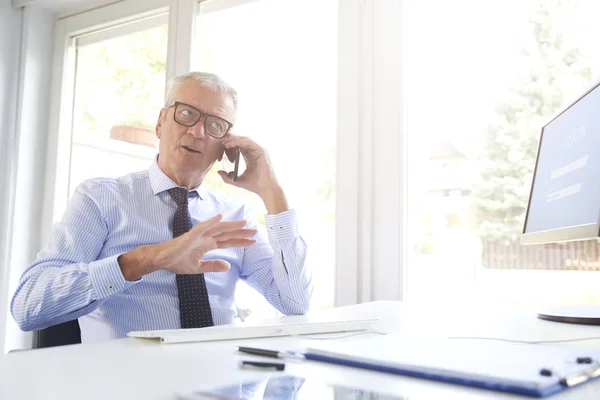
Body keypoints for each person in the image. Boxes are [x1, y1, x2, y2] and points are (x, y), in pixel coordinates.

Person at [10, 71, 313, 343]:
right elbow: (28, 305)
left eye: (216, 125)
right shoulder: (100, 198)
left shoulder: (235, 216)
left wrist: (272, 192)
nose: (197, 132)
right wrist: (148, 258)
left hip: (219, 384)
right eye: (186, 114)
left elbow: (296, 302)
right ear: (159, 123)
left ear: (225, 148)